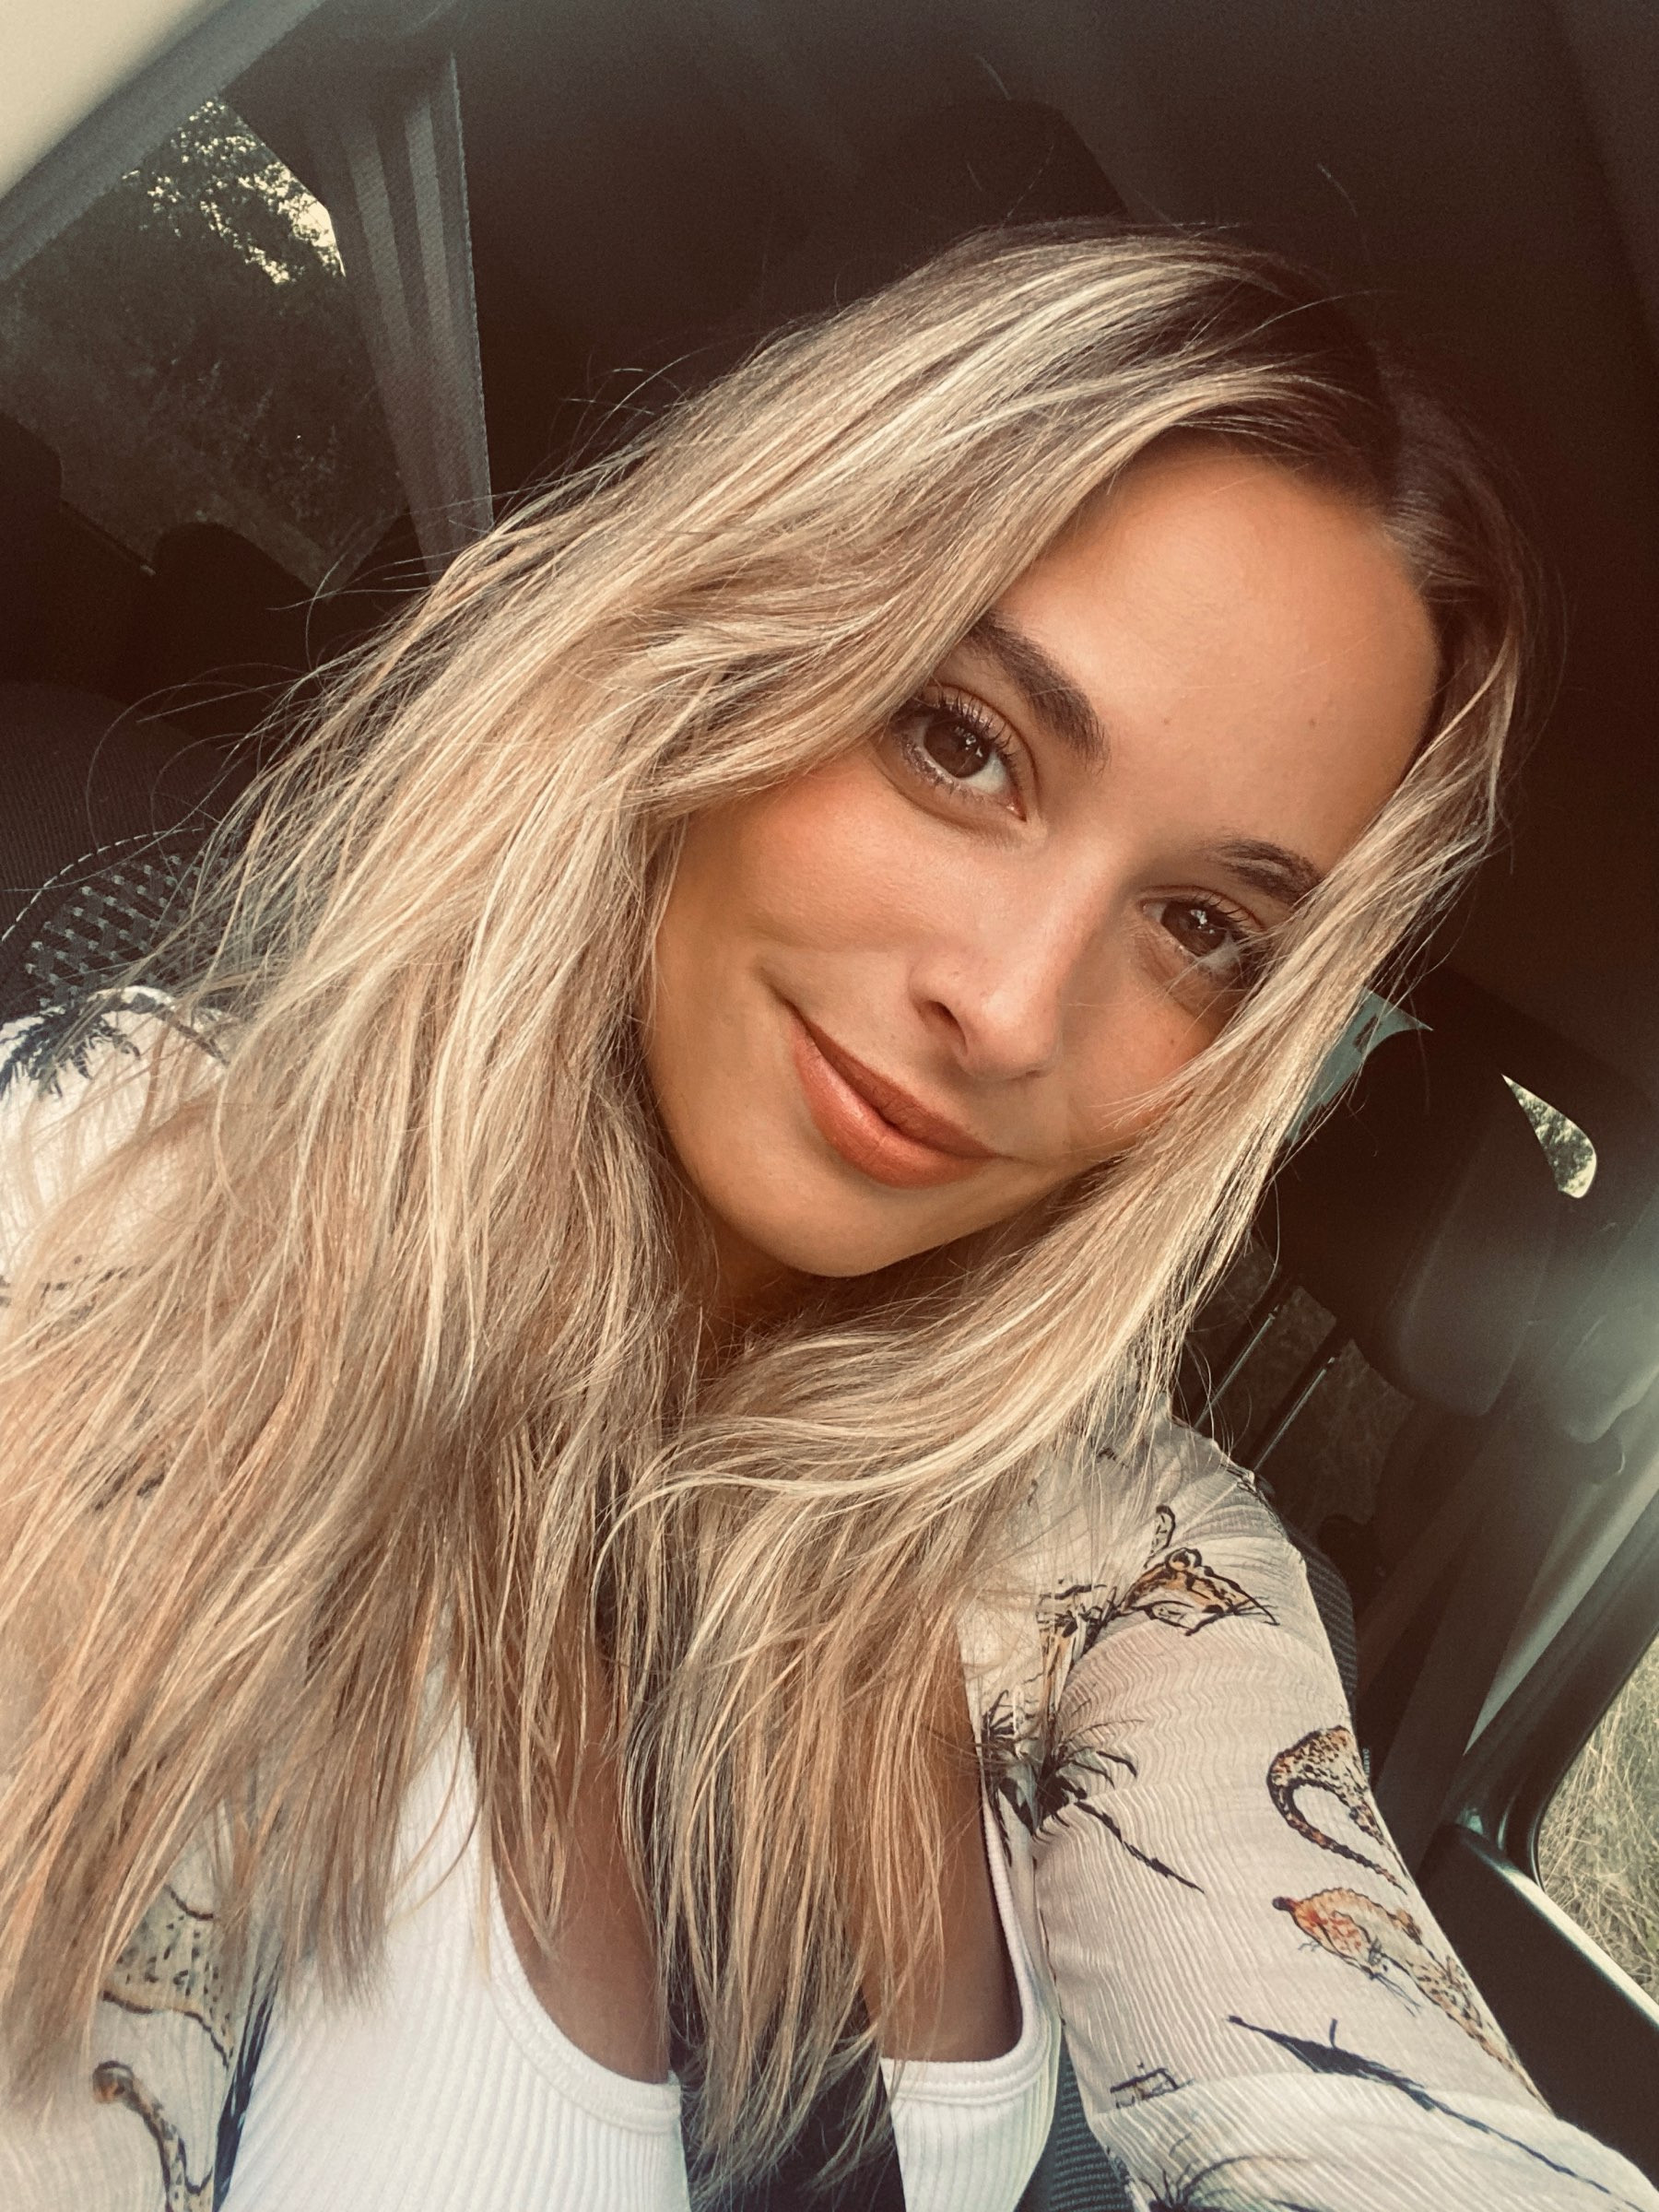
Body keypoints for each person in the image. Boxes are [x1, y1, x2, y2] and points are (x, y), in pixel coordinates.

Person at [0, 222, 1652, 2212]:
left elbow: (1376, 2114)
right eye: (964, 743)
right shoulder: (137, 1199)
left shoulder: (1133, 1558)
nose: (1013, 1009)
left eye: (1206, 932)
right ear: (726, 639)